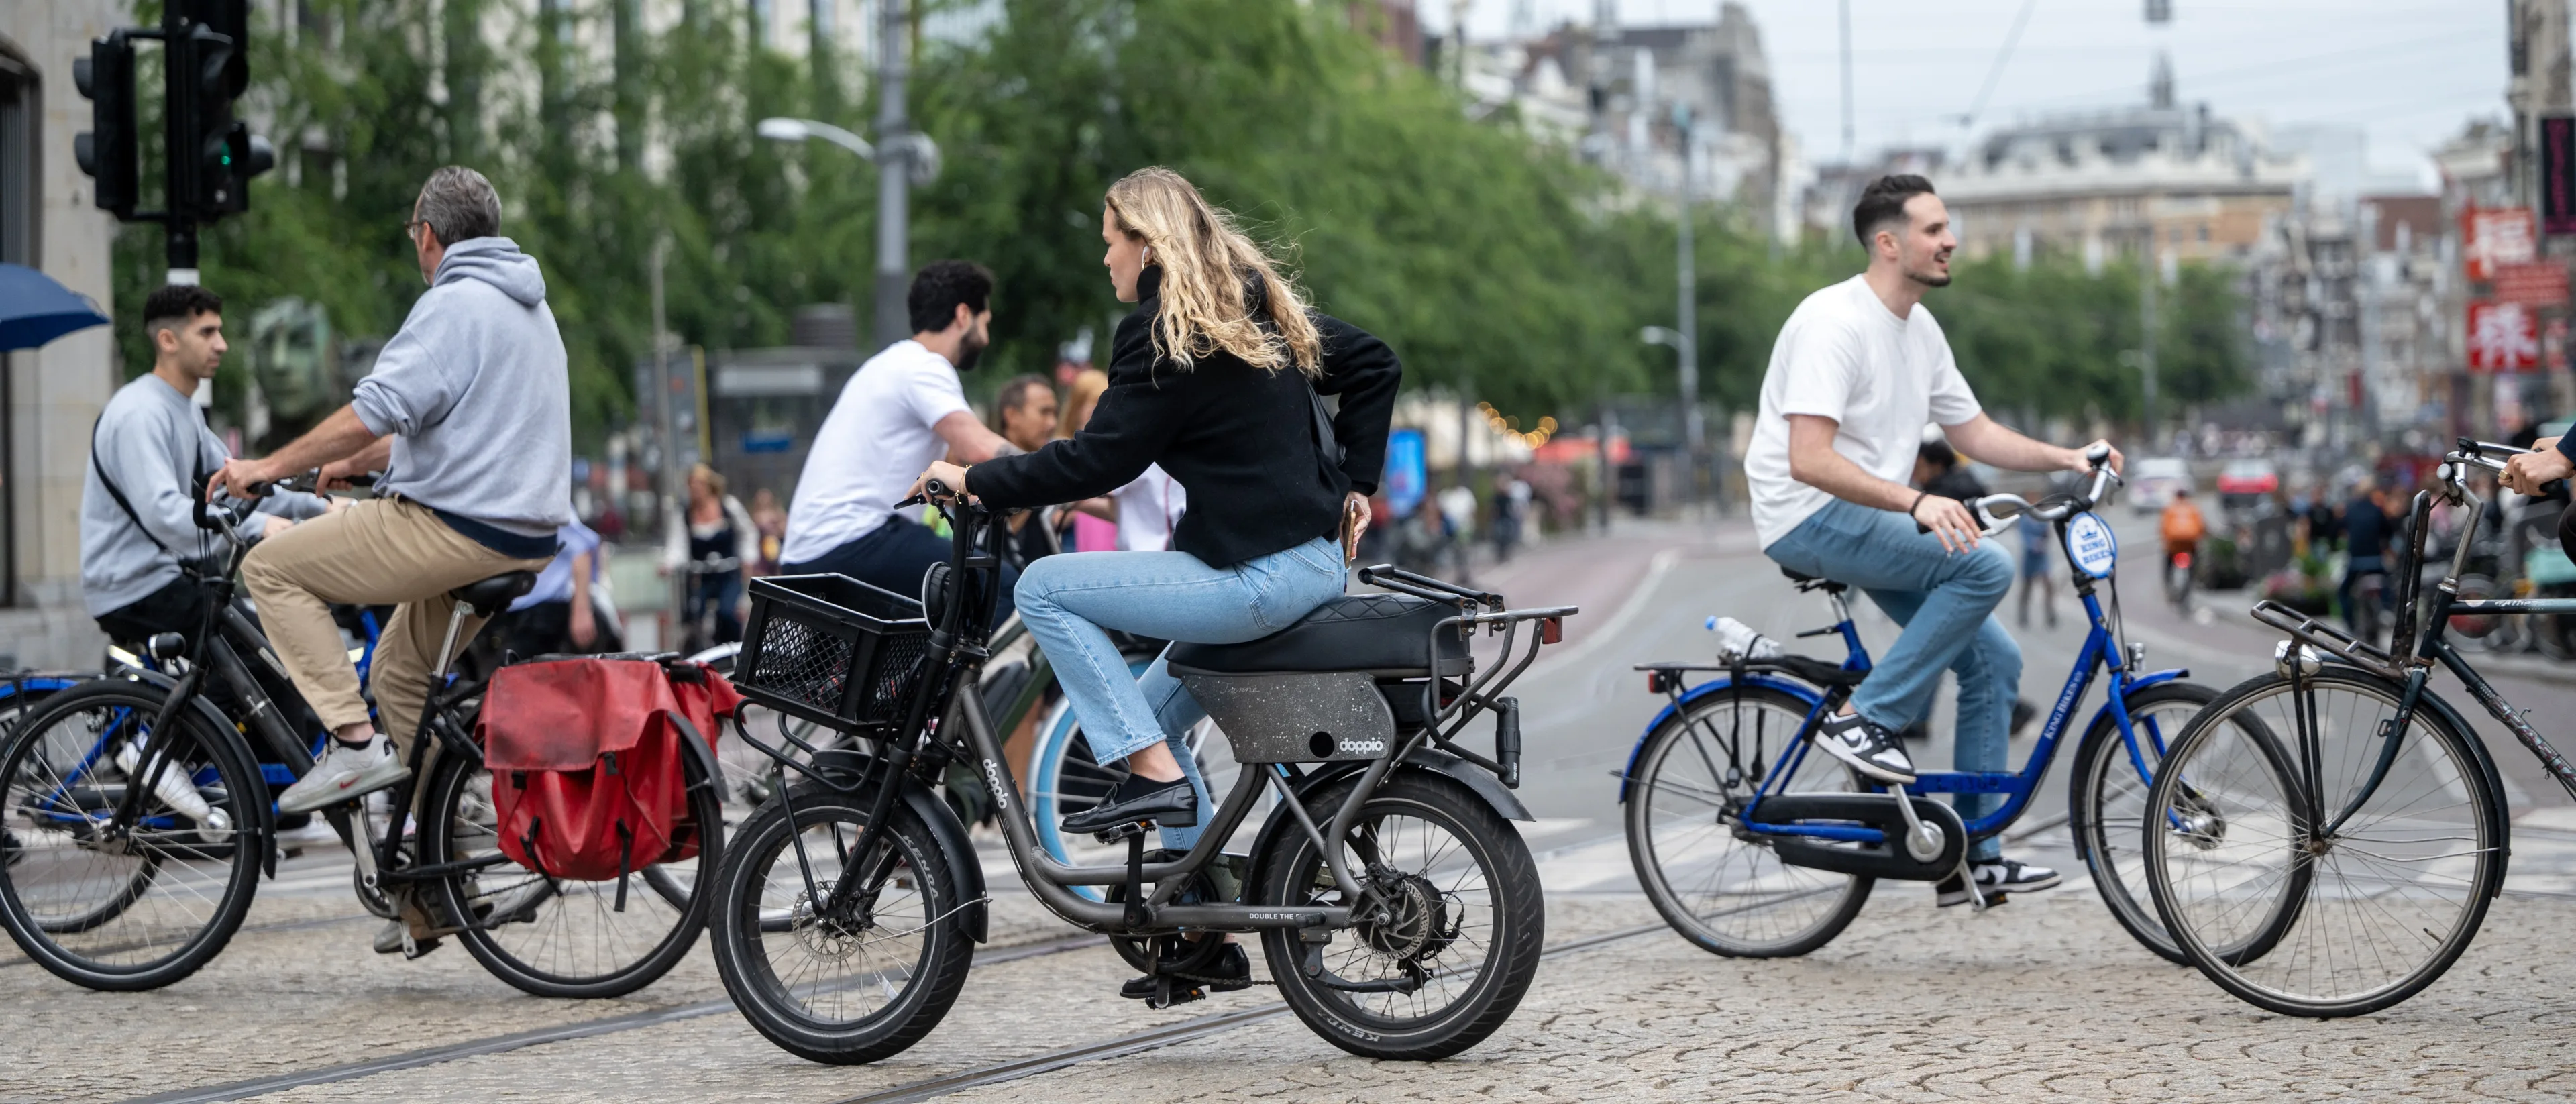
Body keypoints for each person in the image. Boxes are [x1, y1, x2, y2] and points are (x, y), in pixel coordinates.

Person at [911, 166, 1400, 997]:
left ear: (1146, 243)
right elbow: (1376, 363)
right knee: (1149, 717)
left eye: (1111, 241)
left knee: (1045, 589)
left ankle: (1159, 786)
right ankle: (1201, 932)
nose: (1105, 258)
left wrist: (973, 480)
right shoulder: (1250, 308)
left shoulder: (1160, 331)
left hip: (1255, 579)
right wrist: (1358, 484)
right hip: (1312, 563)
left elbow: (1100, 460)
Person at [1741, 174, 2120, 906]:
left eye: (1949, 228)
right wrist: (1917, 500)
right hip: (1806, 513)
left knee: (1995, 662)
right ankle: (1867, 719)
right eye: (1935, 229)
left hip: (1865, 517)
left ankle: (1972, 858)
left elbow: (1973, 431)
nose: (1951, 241)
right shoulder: (1833, 322)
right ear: (1889, 243)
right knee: (1985, 566)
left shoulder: (1919, 329)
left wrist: (2069, 458)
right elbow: (1808, 459)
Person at [211, 166, 573, 825]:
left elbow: (370, 411)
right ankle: (438, 851)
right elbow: (454, 430)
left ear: (427, 234)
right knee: (399, 675)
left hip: (454, 530)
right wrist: (354, 463)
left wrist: (267, 465)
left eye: (413, 234)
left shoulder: (453, 304)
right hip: (522, 538)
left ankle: (352, 744)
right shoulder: (531, 309)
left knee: (270, 568)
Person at [85, 285, 331, 649]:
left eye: (219, 331)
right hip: (134, 588)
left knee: (278, 645)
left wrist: (323, 506)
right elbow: (163, 512)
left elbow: (241, 485)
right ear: (168, 340)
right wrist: (259, 526)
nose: (222, 345)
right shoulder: (140, 413)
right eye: (207, 333)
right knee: (264, 659)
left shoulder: (183, 410)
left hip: (176, 575)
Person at [777, 261, 1022, 614]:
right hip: (853, 540)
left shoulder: (887, 364)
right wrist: (1062, 472)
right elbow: (981, 448)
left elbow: (954, 471)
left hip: (808, 553)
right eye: (986, 323)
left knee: (940, 610)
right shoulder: (925, 367)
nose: (986, 338)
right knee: (1008, 591)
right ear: (964, 316)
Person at [493, 519, 622, 659]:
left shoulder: (543, 507)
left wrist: (581, 611)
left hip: (542, 616)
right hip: (504, 614)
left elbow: (581, 550)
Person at [664, 463, 755, 646]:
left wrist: (748, 558)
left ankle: (733, 651)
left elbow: (747, 532)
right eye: (692, 484)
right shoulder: (685, 514)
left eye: (700, 484)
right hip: (700, 575)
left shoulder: (728, 507)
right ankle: (699, 653)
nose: (696, 489)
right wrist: (668, 564)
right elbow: (677, 544)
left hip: (728, 573)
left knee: (728, 613)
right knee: (695, 615)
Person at [2337, 480, 2394, 637]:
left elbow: (2338, 528)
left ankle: (2350, 623)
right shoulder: (2377, 510)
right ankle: (2386, 609)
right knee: (2388, 584)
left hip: (2356, 562)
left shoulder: (2350, 510)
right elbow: (2388, 531)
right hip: (2375, 560)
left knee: (2343, 592)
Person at [2160, 488, 2206, 608]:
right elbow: (2201, 527)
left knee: (2168, 564)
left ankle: (2169, 586)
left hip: (2174, 545)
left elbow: (2163, 528)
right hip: (2190, 544)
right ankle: (2192, 582)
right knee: (2194, 564)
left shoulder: (2170, 509)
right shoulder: (2193, 508)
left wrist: (2165, 542)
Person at [2015, 512, 2057, 630]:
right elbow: (2024, 536)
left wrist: (2044, 539)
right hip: (2030, 556)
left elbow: (2048, 533)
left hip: (2042, 555)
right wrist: (2034, 543)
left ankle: (2050, 613)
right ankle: (2023, 614)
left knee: (2049, 585)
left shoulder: (2042, 517)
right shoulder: (2024, 519)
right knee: (2027, 586)